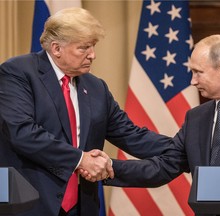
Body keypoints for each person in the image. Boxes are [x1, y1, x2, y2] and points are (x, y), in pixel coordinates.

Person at [0, 7, 172, 216]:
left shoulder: (96, 87)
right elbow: (22, 133)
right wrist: (80, 159)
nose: (93, 55)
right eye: (84, 48)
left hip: (82, 207)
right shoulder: (18, 72)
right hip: (31, 203)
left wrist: (183, 147)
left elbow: (131, 135)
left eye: (93, 46)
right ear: (56, 48)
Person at [105, 34, 220, 215]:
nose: (192, 81)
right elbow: (164, 166)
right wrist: (107, 167)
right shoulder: (196, 117)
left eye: (198, 72)